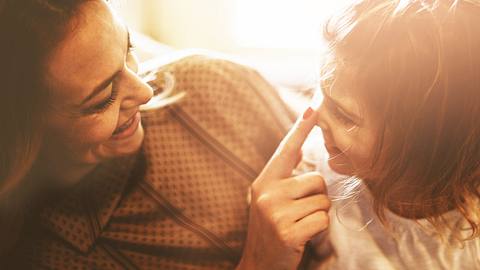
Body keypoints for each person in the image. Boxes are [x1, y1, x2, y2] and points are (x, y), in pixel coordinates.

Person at [0, 0, 330, 269]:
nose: (145, 92)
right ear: (22, 138)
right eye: (102, 99)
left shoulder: (210, 84)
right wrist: (260, 263)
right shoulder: (43, 258)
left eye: (128, 50)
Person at [304, 0, 480, 269]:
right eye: (320, 92)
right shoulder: (311, 177)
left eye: (344, 115)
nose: (315, 117)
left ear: (425, 148)